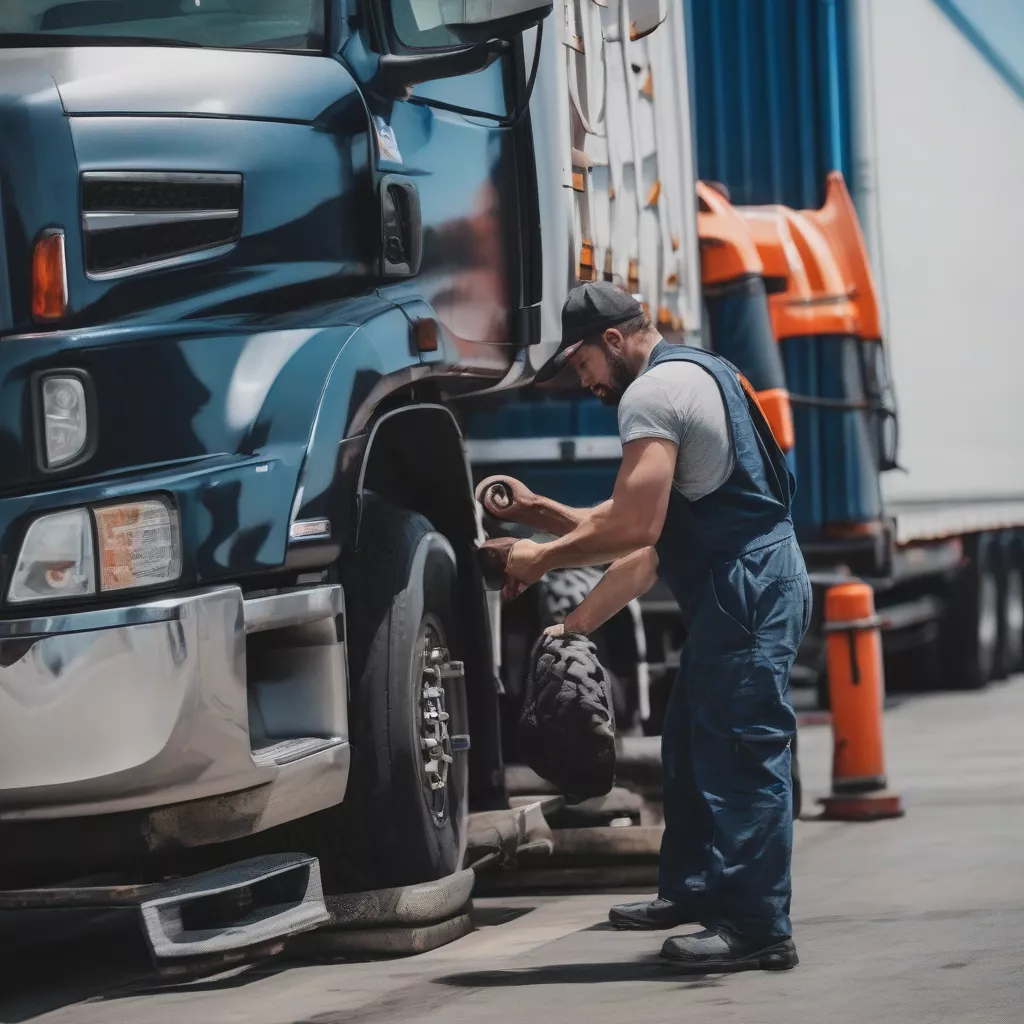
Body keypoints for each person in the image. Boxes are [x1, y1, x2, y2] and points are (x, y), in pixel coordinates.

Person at [480, 280, 811, 972]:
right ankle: (694, 889)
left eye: (582, 365)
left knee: (741, 759)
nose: (584, 382)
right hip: (742, 585)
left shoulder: (651, 396)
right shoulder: (698, 372)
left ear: (612, 341)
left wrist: (539, 560)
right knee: (690, 744)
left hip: (745, 592)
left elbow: (634, 526)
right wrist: (568, 606)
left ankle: (756, 927)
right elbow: (647, 552)